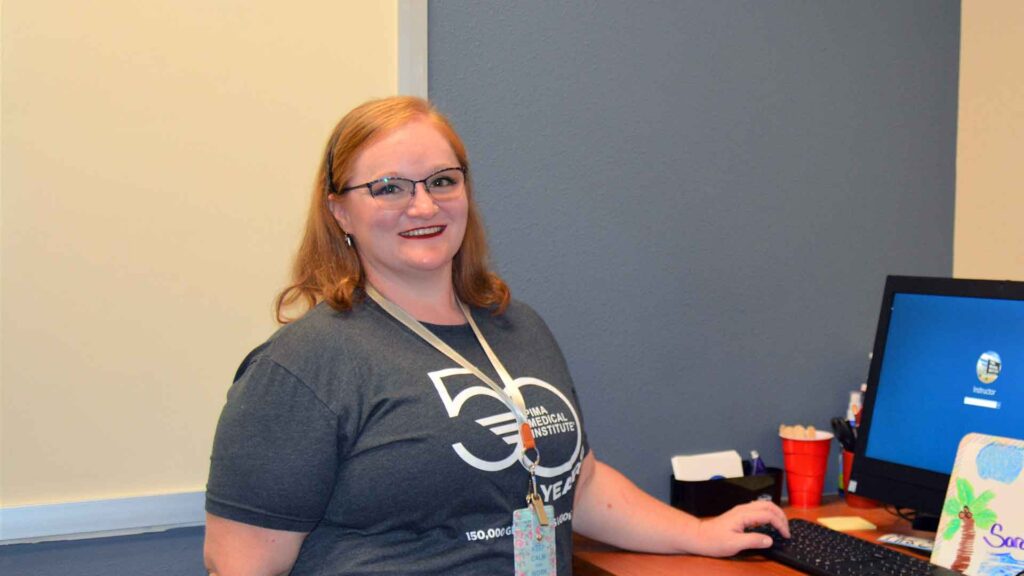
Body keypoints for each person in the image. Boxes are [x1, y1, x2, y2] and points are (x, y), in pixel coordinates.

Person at [203, 96, 789, 576]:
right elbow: (239, 566)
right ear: (339, 212)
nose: (423, 204)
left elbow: (576, 483)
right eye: (389, 188)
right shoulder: (305, 364)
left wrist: (699, 533)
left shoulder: (516, 326)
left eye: (442, 180)